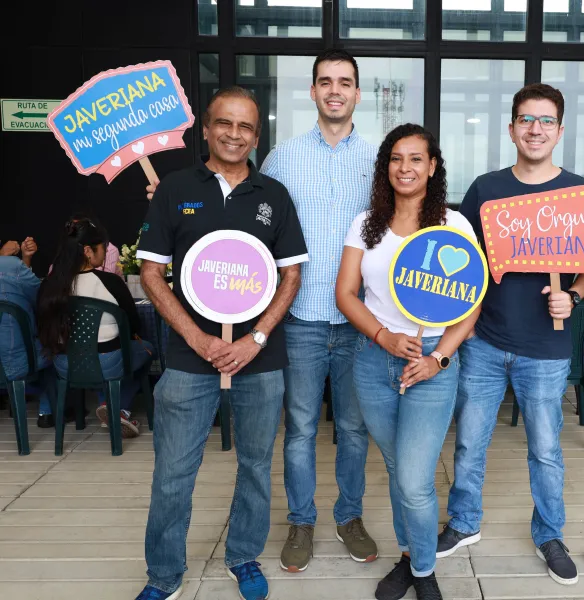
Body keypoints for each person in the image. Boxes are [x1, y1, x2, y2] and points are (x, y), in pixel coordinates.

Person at [135, 86, 308, 600]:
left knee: (255, 465)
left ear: (257, 135)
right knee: (173, 471)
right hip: (191, 357)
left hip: (259, 357)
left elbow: (291, 276)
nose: (235, 134)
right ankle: (163, 575)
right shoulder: (173, 189)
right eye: (224, 124)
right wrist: (196, 336)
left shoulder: (273, 195)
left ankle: (244, 555)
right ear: (206, 129)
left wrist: (255, 338)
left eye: (246, 127)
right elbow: (150, 273)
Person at [437, 83, 584, 587]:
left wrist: (573, 296)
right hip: (483, 341)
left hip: (546, 350)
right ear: (511, 129)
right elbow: (460, 262)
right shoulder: (485, 189)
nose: (535, 129)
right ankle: (464, 523)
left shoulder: (579, 190)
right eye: (526, 119)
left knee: (547, 449)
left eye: (546, 120)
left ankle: (549, 533)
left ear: (560, 130)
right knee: (469, 442)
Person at [337, 123, 477, 600]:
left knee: (415, 481)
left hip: (431, 367)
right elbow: (345, 293)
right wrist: (384, 335)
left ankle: (423, 568)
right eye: (397, 158)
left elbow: (470, 301)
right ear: (385, 166)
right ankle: (407, 555)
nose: (406, 167)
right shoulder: (364, 224)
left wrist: (438, 358)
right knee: (399, 470)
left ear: (432, 166)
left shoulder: (454, 225)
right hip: (374, 362)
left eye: (416, 158)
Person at [259, 48, 378, 572]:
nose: (335, 89)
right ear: (312, 91)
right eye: (325, 81)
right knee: (302, 429)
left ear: (357, 92)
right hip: (301, 318)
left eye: (345, 81)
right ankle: (301, 521)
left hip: (361, 322)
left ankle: (349, 516)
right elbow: (250, 224)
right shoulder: (281, 159)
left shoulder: (380, 160)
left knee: (354, 430)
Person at [37, 218, 155, 438]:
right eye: (104, 247)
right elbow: (132, 325)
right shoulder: (111, 282)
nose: (106, 252)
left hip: (64, 364)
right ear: (88, 251)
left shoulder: (50, 284)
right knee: (146, 350)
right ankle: (117, 408)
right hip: (108, 363)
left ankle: (109, 404)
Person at [0, 237, 58, 428]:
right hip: (17, 360)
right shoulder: (10, 265)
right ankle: (47, 412)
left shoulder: (10, 264)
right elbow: (42, 300)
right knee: (51, 347)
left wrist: (23, 260)